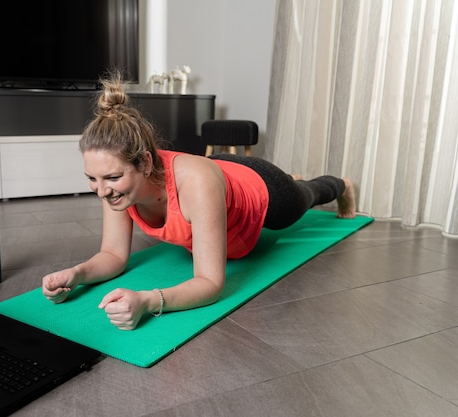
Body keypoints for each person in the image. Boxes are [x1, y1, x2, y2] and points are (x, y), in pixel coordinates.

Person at [42, 73, 356, 330]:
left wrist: (148, 301)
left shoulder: (194, 184)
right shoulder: (115, 185)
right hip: (219, 175)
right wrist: (78, 274)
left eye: (111, 178)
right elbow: (112, 254)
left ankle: (341, 185)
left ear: (146, 164)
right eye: (92, 179)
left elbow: (210, 282)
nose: (101, 190)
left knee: (305, 196)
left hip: (259, 188)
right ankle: (295, 178)